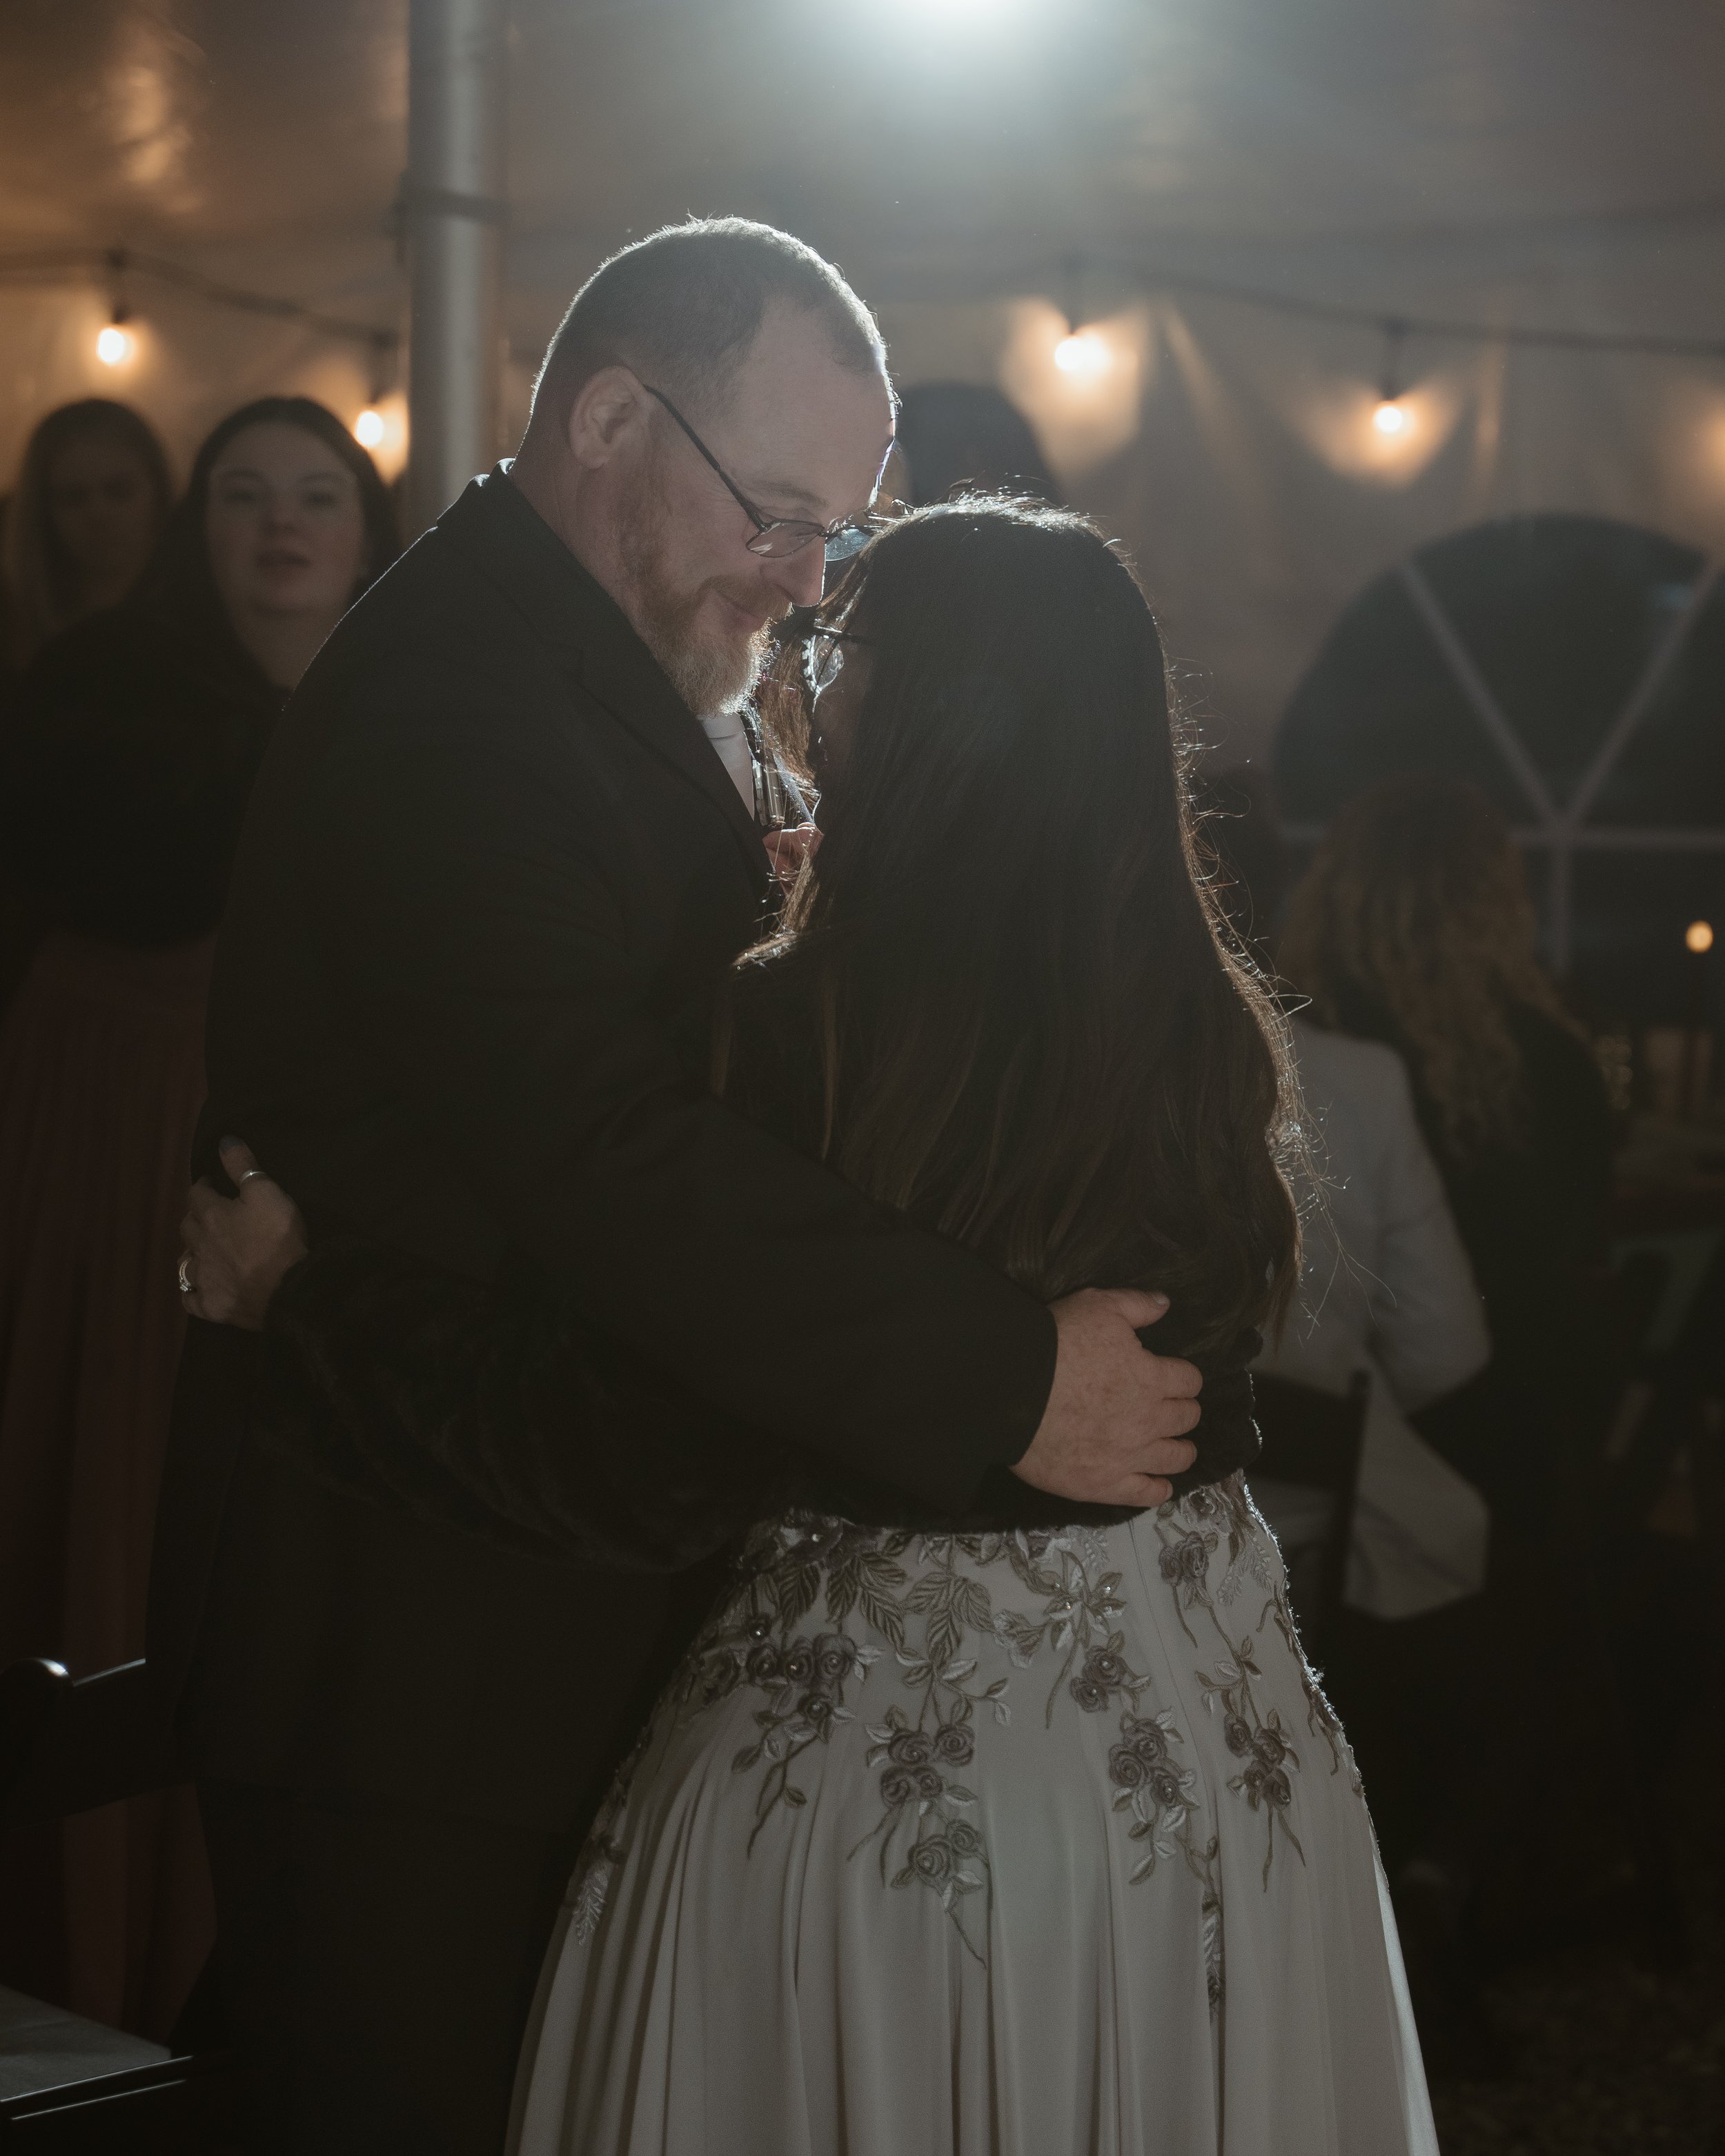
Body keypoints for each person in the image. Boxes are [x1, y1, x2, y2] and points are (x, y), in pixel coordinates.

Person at [182, 500, 1436, 2156]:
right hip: (1198, 1776)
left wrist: (302, 1304)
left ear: (918, 711)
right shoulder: (1201, 1025)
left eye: (841, 652)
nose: (805, 686)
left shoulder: (790, 1030)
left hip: (867, 1806)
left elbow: (626, 1453)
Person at [148, 221, 1208, 2155]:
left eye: (838, 538)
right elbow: (613, 1157)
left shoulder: (615, 665)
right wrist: (1000, 1373)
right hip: (415, 1649)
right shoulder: (459, 705)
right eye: (782, 513)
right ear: (611, 420)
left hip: (546, 1589)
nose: (803, 581)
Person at [0, 397, 396, 2036]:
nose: (281, 525)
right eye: (243, 495)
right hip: (128, 1118)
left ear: (372, 532)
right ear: (195, 523)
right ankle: (88, 1939)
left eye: (317, 494)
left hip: (338, 1146)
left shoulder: (417, 705)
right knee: (119, 1477)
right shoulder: (105, 698)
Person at [1277, 774, 1615, 1536]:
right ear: (1493, 900)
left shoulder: (1301, 1049)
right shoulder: (1553, 1061)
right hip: (1515, 1431)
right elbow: (1581, 1233)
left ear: (1335, 886)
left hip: (1327, 1424)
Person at [1194, 768, 1493, 1625]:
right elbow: (1444, 1347)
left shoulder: (1056, 1076)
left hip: (1096, 1531)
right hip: (1308, 1544)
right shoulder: (1360, 1080)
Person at [1, 399, 174, 675]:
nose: (99, 514)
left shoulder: (210, 619)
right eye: (73, 498)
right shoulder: (13, 634)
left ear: (159, 493)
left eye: (119, 491)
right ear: (44, 514)